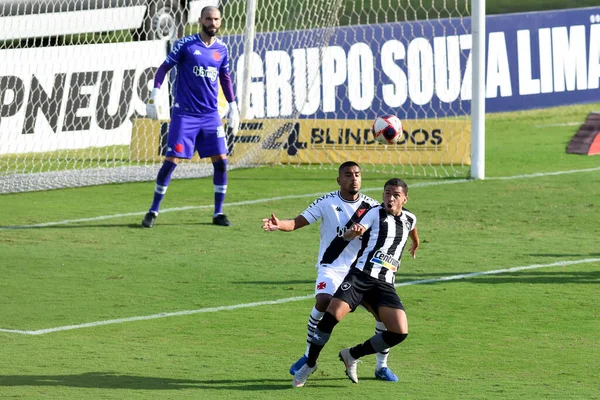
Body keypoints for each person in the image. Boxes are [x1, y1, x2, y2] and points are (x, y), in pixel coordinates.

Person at [262, 162, 400, 382]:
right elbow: (298, 222)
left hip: (363, 271)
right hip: (332, 266)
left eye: (357, 174)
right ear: (339, 180)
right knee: (324, 300)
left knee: (382, 315)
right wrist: (280, 225)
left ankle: (381, 366)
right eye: (348, 175)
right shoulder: (326, 202)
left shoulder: (373, 206)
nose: (353, 178)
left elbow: (398, 224)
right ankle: (309, 356)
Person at [292, 178, 420, 387]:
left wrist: (415, 243)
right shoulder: (374, 214)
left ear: (405, 199)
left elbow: (413, 229)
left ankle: (352, 354)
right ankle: (310, 363)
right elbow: (352, 231)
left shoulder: (409, 218)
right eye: (387, 193)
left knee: (399, 332)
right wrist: (352, 233)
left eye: (395, 195)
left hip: (384, 284)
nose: (390, 198)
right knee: (331, 316)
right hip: (360, 276)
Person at [142, 6, 240, 228]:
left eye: (216, 19)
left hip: (210, 116)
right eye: (208, 19)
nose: (212, 23)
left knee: (222, 163)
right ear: (200, 20)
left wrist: (233, 106)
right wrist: (154, 95)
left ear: (220, 21)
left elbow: (225, 78)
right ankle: (153, 210)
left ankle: (218, 213)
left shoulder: (222, 49)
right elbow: (163, 68)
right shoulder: (186, 44)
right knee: (171, 162)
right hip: (185, 115)